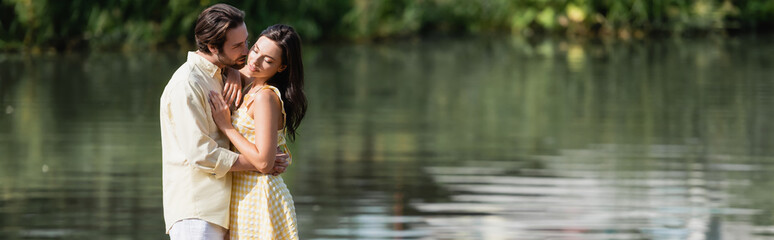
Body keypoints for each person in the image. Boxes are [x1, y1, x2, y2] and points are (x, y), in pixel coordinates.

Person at [159, 4, 289, 239]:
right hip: (197, 212)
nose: (247, 51)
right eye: (238, 46)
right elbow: (201, 154)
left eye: (247, 42)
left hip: (224, 210)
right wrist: (261, 162)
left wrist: (234, 73)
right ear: (212, 46)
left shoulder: (221, 74)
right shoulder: (187, 84)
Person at [208, 24, 307, 240]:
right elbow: (230, 67)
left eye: (268, 61)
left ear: (281, 67)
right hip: (242, 194)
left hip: (259, 197)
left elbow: (263, 163)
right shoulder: (249, 85)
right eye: (255, 50)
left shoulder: (265, 97)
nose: (255, 61)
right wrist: (234, 71)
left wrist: (227, 127)